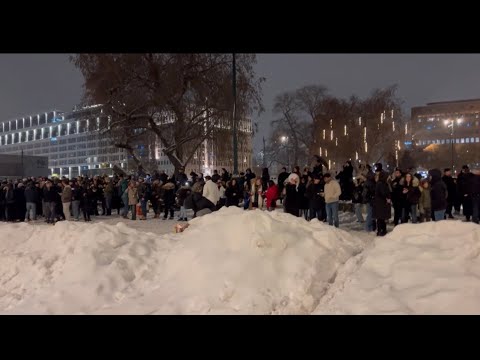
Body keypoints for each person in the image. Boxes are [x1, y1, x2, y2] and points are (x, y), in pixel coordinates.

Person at [373, 170, 391, 237]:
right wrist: (387, 198)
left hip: (380, 203)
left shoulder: (381, 183)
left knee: (381, 218)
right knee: (381, 218)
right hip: (381, 203)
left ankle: (382, 230)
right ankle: (381, 231)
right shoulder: (381, 183)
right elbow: (383, 193)